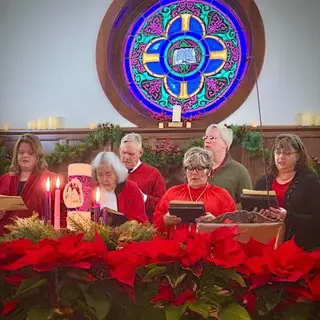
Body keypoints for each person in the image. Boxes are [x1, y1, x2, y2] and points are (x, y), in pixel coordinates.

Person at [255, 134, 320, 250]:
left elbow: (316, 220)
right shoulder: (262, 181)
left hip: (300, 247)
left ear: (298, 156)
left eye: (287, 153)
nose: (281, 157)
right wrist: (257, 215)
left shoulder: (310, 181)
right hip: (266, 245)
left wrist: (287, 217)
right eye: (277, 152)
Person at [153, 147, 237, 230]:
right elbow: (155, 222)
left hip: (210, 242)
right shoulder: (172, 192)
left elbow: (235, 224)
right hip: (176, 242)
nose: (194, 173)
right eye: (190, 168)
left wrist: (216, 222)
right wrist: (164, 220)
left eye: (199, 169)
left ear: (209, 171)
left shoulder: (221, 195)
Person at [0, 134, 56, 233]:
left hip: (36, 235)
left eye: (30, 153)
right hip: (5, 236)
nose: (25, 156)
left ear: (38, 156)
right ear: (16, 155)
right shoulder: (4, 179)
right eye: (21, 152)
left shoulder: (50, 179)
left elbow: (59, 212)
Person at [91, 151, 148, 224]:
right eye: (100, 175)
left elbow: (141, 220)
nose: (105, 179)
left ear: (117, 172)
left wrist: (131, 224)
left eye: (108, 174)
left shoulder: (131, 188)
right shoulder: (91, 191)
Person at [119, 133, 166, 219]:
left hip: (143, 228)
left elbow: (163, 205)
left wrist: (143, 197)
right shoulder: (112, 172)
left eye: (131, 154)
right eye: (123, 152)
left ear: (141, 153)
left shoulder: (153, 174)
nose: (126, 157)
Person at [204, 124, 252, 204]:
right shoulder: (196, 168)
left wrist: (224, 212)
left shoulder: (239, 171)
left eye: (212, 138)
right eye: (206, 137)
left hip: (226, 216)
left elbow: (247, 203)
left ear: (225, 143)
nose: (207, 141)